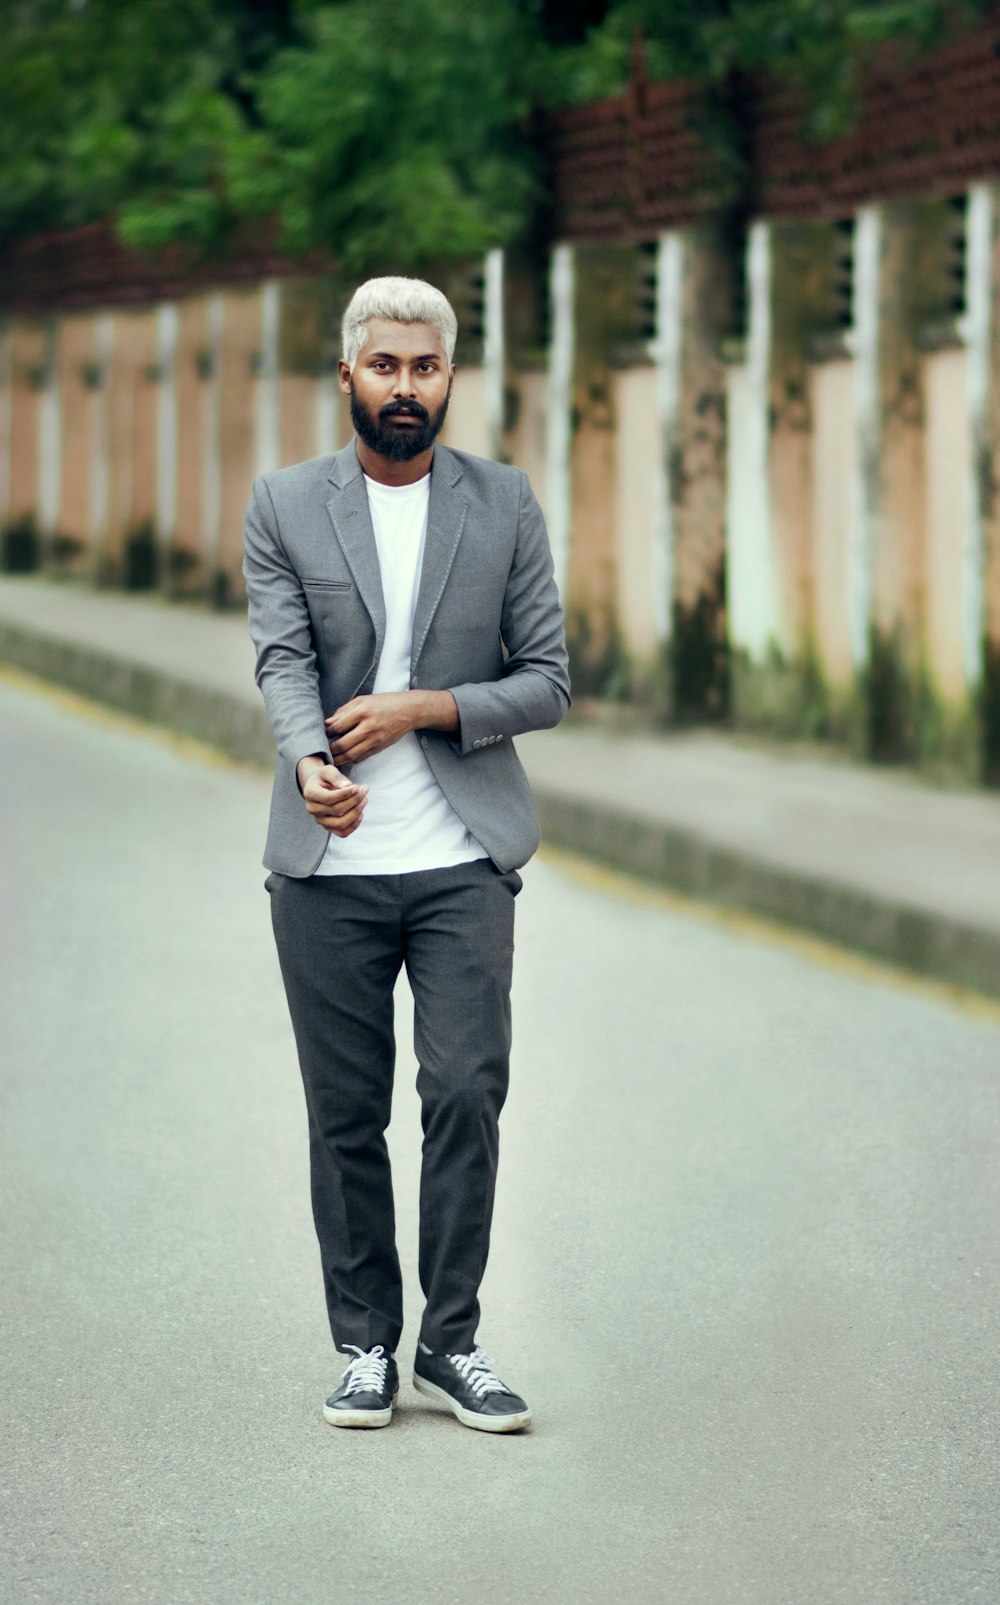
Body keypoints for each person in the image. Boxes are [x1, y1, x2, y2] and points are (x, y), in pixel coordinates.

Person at [243, 275, 570, 1433]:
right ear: (347, 375)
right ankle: (366, 1344)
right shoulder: (284, 504)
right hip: (326, 871)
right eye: (383, 367)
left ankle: (453, 1342)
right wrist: (306, 758)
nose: (404, 387)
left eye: (424, 368)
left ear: (447, 377)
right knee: (344, 1114)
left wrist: (422, 708)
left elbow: (547, 680)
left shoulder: (502, 503)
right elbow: (282, 658)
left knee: (467, 1090)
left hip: (460, 861)